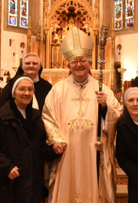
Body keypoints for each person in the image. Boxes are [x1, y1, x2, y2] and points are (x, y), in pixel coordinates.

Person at [42, 26, 122, 203]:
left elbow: (117, 115)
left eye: (83, 60)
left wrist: (105, 107)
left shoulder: (103, 90)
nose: (79, 64)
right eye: (74, 61)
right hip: (67, 150)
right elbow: (47, 116)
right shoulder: (58, 90)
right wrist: (56, 140)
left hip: (94, 149)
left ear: (90, 63)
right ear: (68, 64)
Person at [0, 76, 63, 203]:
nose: (26, 93)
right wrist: (7, 167)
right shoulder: (0, 116)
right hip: (8, 183)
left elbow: (40, 149)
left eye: (30, 89)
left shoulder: (36, 116)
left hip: (32, 184)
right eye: (22, 89)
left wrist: (53, 150)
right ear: (13, 92)